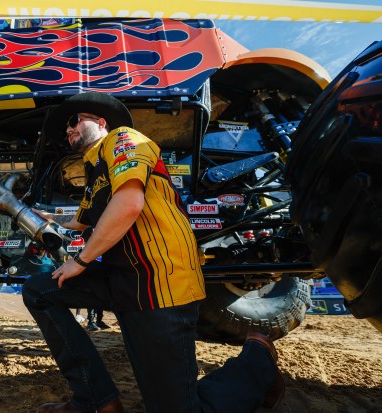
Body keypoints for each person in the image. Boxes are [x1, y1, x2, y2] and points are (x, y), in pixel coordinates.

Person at [23, 92, 284, 413]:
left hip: (160, 286)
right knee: (40, 290)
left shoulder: (122, 139)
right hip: (123, 282)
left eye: (75, 121)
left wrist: (80, 260)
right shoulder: (95, 170)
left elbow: (129, 204)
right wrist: (41, 214)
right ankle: (95, 401)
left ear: (101, 122)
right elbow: (79, 220)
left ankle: (257, 358)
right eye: (67, 126)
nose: (68, 129)